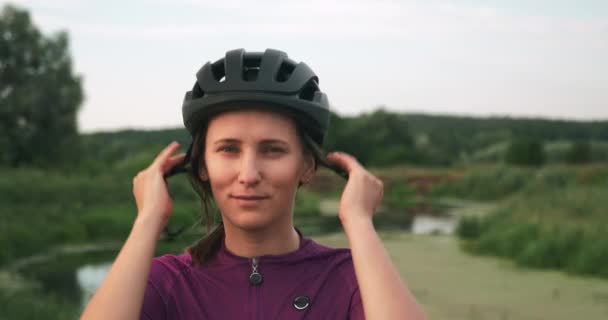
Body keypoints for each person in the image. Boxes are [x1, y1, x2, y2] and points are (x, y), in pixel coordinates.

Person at [80, 49, 427, 320]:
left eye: (272, 150)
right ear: (202, 165)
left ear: (306, 167)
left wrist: (360, 221)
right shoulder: (167, 281)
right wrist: (148, 219)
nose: (248, 173)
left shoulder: (351, 277)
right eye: (228, 149)